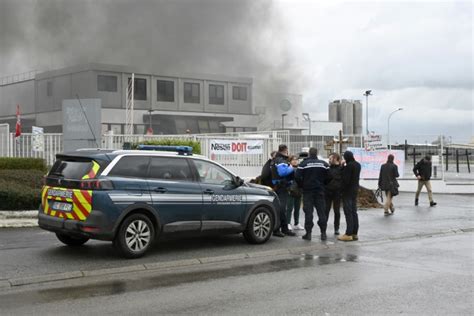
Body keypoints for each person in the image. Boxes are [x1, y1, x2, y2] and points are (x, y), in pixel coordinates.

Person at [295, 147, 330, 241]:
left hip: (308, 191)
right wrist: (324, 184)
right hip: (320, 191)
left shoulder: (304, 164)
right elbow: (330, 176)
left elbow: (297, 176)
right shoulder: (324, 164)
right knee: (322, 213)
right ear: (317, 153)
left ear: (309, 154)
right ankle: (323, 233)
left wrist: (302, 185)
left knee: (308, 213)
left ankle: (308, 233)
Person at [271, 145, 296, 237]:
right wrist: (291, 167)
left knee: (281, 209)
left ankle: (283, 228)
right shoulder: (280, 160)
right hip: (281, 187)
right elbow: (282, 172)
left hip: (278, 186)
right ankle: (278, 229)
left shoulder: (276, 159)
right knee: (281, 209)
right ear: (286, 150)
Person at [338, 150, 361, 242]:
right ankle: (355, 233)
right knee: (354, 212)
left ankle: (348, 234)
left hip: (347, 192)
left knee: (348, 212)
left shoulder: (349, 166)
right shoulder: (357, 165)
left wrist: (342, 167)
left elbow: (345, 179)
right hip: (355, 190)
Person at [325, 152, 343, 235]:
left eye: (331, 158)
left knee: (337, 211)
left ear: (336, 159)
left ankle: (336, 228)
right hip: (327, 192)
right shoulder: (327, 168)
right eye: (329, 158)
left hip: (337, 193)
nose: (329, 159)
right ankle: (323, 228)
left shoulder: (341, 169)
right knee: (326, 210)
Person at [286, 155, 303, 230]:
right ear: (290, 161)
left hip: (299, 190)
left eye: (296, 160)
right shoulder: (288, 168)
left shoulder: (300, 168)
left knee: (297, 208)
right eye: (293, 159)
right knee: (289, 208)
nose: (295, 161)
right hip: (291, 190)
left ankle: (296, 223)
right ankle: (288, 223)